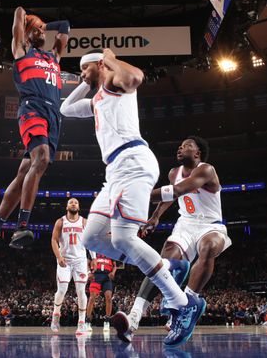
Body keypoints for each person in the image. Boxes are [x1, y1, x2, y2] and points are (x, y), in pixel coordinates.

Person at [59, 48, 204, 347]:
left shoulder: (116, 83)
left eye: (84, 71)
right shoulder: (97, 99)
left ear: (98, 66)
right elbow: (65, 109)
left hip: (133, 162)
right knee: (92, 239)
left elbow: (137, 76)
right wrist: (88, 81)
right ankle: (162, 269)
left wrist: (108, 58)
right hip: (114, 172)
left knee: (124, 239)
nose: (80, 76)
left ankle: (180, 301)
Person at [0, 8, 70, 262]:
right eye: (36, 29)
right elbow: (18, 11)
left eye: (43, 29)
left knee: (23, 175)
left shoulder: (53, 57)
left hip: (54, 118)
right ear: (27, 33)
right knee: (41, 160)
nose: (42, 32)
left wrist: (44, 25)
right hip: (33, 109)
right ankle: (21, 227)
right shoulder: (21, 49)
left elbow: (66, 26)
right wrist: (30, 22)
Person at [120, 136, 232, 341]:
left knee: (207, 247)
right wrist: (155, 217)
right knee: (163, 261)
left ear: (197, 153)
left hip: (211, 225)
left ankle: (189, 303)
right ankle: (134, 316)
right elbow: (171, 196)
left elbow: (179, 189)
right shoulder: (174, 173)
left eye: (187, 146)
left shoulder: (207, 170)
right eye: (180, 145)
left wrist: (137, 197)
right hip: (185, 225)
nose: (181, 148)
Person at [49, 198, 89, 335]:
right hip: (65, 260)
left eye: (76, 202)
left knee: (81, 291)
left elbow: (89, 241)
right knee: (62, 290)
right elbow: (54, 240)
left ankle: (82, 323)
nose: (73, 203)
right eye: (71, 202)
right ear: (67, 206)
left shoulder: (84, 222)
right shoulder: (60, 221)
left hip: (80, 261)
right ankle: (56, 314)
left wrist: (94, 258)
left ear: (79, 206)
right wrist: (58, 257)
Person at [87, 253, 117, 332]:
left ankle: (107, 321)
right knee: (92, 298)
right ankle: (87, 321)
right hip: (96, 276)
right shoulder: (93, 251)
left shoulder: (110, 251)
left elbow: (115, 265)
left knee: (109, 297)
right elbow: (87, 263)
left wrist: (113, 272)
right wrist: (89, 273)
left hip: (107, 277)